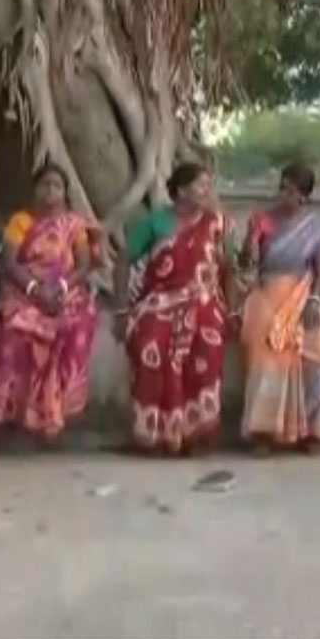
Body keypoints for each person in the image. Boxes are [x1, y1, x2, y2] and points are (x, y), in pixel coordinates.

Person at [119, 162, 232, 456]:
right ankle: (154, 433)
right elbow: (122, 261)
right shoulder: (154, 222)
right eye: (200, 184)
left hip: (205, 299)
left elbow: (227, 268)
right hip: (160, 300)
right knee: (149, 345)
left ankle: (192, 432)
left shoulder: (217, 222)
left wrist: (231, 309)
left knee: (207, 342)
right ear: (181, 190)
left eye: (209, 185)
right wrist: (121, 310)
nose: (207, 191)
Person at [0, 163, 100, 440]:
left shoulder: (75, 224)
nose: (51, 191)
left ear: (65, 192)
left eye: (57, 186)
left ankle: (60, 408)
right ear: (35, 190)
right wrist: (34, 289)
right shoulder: (20, 221)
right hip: (24, 290)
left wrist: (61, 288)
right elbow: (10, 263)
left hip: (66, 290)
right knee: (18, 330)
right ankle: (22, 412)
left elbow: (84, 264)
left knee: (76, 325)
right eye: (45, 185)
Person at [237, 162, 320, 453]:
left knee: (315, 342)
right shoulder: (262, 221)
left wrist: (315, 303)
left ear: (304, 197)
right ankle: (264, 432)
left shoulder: (318, 229)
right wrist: (250, 243)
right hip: (266, 291)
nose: (283, 195)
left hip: (304, 293)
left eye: (291, 191)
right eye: (282, 187)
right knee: (262, 339)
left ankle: (311, 432)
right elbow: (247, 266)